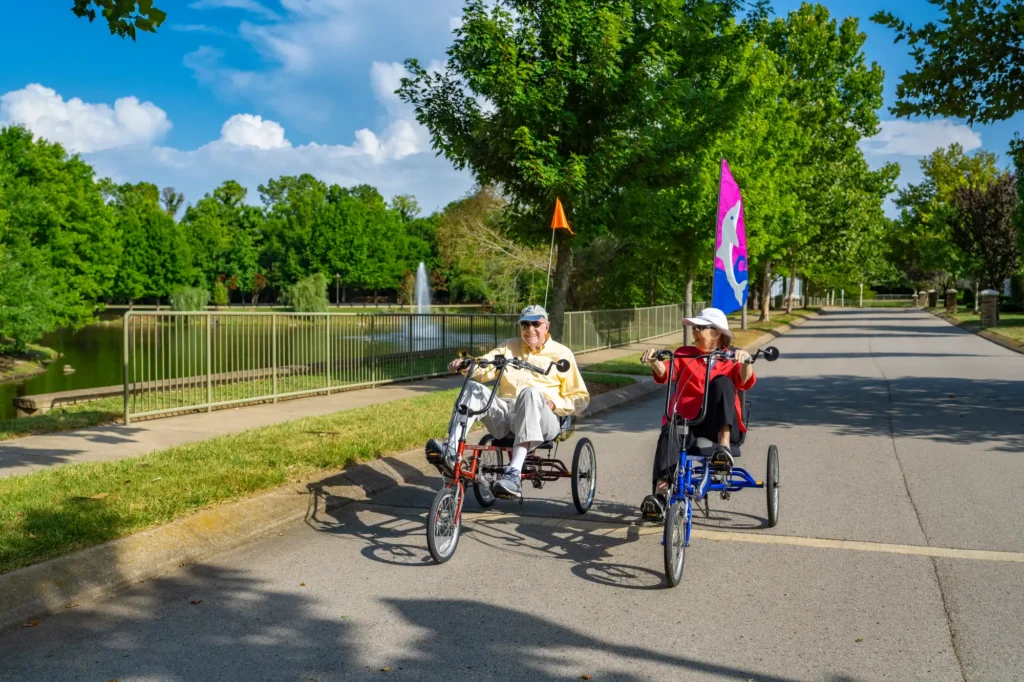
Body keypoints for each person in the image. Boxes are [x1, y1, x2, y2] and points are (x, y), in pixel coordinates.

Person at [425, 304, 590, 497]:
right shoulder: (509, 347)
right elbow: (485, 365)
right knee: (472, 388)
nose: (530, 330)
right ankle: (451, 452)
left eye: (536, 324)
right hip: (507, 416)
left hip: (544, 419)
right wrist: (466, 365)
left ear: (547, 326)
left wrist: (556, 404)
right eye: (525, 325)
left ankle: (513, 474)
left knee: (530, 393)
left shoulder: (562, 354)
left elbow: (581, 398)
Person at [638, 307, 755, 521]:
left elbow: (744, 380)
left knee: (722, 383)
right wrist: (654, 362)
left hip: (718, 423)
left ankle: (724, 448)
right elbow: (667, 373)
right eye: (694, 328)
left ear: (716, 333)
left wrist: (746, 362)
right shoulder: (684, 354)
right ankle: (660, 497)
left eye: (699, 328)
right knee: (670, 428)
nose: (694, 332)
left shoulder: (730, 357)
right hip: (688, 422)